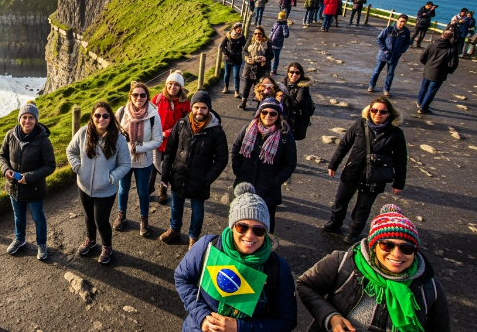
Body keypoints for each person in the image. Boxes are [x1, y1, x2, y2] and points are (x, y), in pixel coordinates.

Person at [298, 204, 450, 332]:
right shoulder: (344, 263)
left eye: (407, 248)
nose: (396, 254)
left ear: (415, 252)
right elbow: (305, 285)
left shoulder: (430, 290)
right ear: (373, 247)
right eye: (387, 245)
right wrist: (331, 317)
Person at [174, 183, 297, 332]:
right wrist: (201, 316)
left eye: (258, 230)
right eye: (242, 227)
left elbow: (286, 321)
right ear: (232, 226)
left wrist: (239, 327)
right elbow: (182, 277)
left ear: (266, 232)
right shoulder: (208, 246)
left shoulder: (277, 269)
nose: (249, 235)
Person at [324, 97, 407, 244]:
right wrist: (333, 164)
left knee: (363, 207)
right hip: (352, 170)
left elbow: (401, 159)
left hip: (375, 176)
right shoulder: (359, 125)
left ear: (389, 114)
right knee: (340, 200)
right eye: (374, 110)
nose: (378, 114)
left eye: (382, 112)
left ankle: (354, 232)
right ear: (369, 111)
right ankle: (335, 223)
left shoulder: (396, 133)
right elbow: (344, 145)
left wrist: (399, 182)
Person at [159, 90, 228, 249]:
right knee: (176, 205)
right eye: (196, 107)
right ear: (191, 107)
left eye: (203, 108)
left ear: (209, 109)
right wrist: (166, 173)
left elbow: (222, 159)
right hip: (179, 174)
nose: (199, 111)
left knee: (197, 210)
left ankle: (193, 237)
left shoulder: (216, 131)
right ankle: (175, 229)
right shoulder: (181, 124)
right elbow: (170, 150)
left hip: (200, 179)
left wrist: (207, 179)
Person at [67, 101, 131, 264]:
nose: (101, 118)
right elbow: (70, 150)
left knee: (101, 221)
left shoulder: (119, 139)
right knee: (88, 216)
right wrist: (77, 167)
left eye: (105, 115)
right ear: (92, 117)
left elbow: (125, 164)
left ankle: (107, 247)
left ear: (110, 118)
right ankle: (91, 240)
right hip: (84, 185)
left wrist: (110, 178)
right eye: (97, 115)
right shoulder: (83, 133)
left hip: (106, 189)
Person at [0, 100, 56, 259]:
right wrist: (6, 170)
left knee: (38, 217)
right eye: (24, 117)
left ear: (36, 120)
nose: (27, 121)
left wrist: (28, 177)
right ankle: (20, 239)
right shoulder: (11, 135)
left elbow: (50, 165)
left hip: (34, 187)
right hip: (13, 186)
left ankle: (42, 244)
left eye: (31, 117)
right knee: (18, 216)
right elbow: (2, 156)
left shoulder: (43, 140)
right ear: (19, 119)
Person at [231, 98, 297, 233]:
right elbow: (235, 149)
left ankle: (266, 247)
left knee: (265, 219)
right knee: (241, 216)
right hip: (245, 182)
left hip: (268, 188)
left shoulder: (285, 136)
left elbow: (290, 163)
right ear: (259, 113)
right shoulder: (248, 129)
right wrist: (239, 170)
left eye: (273, 113)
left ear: (279, 116)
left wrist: (275, 181)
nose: (268, 116)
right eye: (264, 112)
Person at [113, 82, 162, 236]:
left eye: (142, 95)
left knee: (143, 192)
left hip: (144, 160)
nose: (139, 97)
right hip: (124, 160)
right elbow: (114, 136)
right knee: (123, 189)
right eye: (135, 94)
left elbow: (158, 140)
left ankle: (144, 220)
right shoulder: (122, 112)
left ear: (147, 96)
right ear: (131, 96)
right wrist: (128, 148)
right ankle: (122, 215)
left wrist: (137, 148)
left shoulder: (154, 115)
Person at [151, 71, 191, 206]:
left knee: (167, 166)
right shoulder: (157, 99)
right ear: (166, 84)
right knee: (154, 165)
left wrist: (168, 133)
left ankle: (163, 190)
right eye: (170, 83)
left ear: (181, 87)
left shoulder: (185, 103)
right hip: (156, 139)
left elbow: (186, 123)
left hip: (174, 141)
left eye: (176, 85)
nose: (172, 87)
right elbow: (149, 118)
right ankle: (149, 188)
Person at [417, 30, 459, 114]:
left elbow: (422, 58)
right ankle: (423, 108)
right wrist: (448, 70)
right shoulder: (451, 49)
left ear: (442, 35)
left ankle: (419, 102)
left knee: (424, 87)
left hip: (428, 69)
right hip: (439, 73)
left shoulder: (432, 45)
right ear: (451, 38)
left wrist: (427, 64)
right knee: (431, 91)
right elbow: (454, 63)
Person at [369, 14, 411, 97]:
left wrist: (402, 51)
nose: (402, 23)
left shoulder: (406, 32)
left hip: (395, 56)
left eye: (404, 22)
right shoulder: (388, 29)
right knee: (377, 71)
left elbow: (407, 43)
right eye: (401, 21)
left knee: (390, 73)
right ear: (397, 20)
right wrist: (384, 49)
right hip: (383, 55)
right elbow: (379, 39)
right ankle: (371, 85)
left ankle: (386, 89)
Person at [239, 26, 274, 110]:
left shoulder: (267, 43)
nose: (257, 35)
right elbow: (244, 51)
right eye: (255, 34)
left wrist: (265, 58)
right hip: (249, 68)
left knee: (260, 88)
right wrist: (247, 58)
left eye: (259, 34)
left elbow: (271, 55)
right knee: (247, 86)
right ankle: (243, 102)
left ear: (262, 34)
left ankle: (260, 105)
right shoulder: (250, 41)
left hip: (261, 69)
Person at [283, 62, 314, 141]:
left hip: (296, 120)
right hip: (284, 118)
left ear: (301, 74)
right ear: (288, 72)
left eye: (297, 72)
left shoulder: (304, 87)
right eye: (292, 72)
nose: (294, 75)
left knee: (290, 142)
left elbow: (299, 104)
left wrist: (284, 99)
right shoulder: (284, 83)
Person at [220, 22, 246, 97]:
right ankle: (226, 87)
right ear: (234, 28)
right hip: (228, 58)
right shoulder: (228, 36)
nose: (240, 30)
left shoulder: (242, 37)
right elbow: (222, 46)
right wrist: (225, 52)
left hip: (237, 59)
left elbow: (245, 47)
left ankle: (237, 91)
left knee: (236, 75)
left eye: (241, 28)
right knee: (227, 74)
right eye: (238, 28)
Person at [269, 11, 290, 75]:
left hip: (278, 43)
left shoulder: (284, 25)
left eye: (281, 18)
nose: (280, 20)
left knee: (276, 57)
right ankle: (268, 69)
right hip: (271, 42)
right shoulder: (276, 23)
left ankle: (274, 69)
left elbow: (286, 35)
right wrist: (269, 38)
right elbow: (272, 31)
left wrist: (285, 28)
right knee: (269, 56)